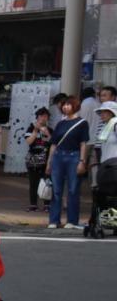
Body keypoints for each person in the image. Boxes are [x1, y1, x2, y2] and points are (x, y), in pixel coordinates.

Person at [45, 95, 90, 230]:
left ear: (75, 106)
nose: (65, 107)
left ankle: (72, 221)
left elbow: (83, 144)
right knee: (56, 190)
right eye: (64, 105)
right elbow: (53, 144)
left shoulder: (82, 123)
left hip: (74, 156)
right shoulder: (60, 123)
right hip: (58, 156)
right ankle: (54, 220)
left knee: (73, 189)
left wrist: (82, 161)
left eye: (68, 104)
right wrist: (49, 162)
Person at [87, 100, 117, 237]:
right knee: (104, 197)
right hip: (106, 166)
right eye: (101, 112)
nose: (101, 115)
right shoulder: (105, 126)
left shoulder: (115, 125)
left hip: (114, 166)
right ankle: (110, 222)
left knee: (108, 196)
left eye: (104, 112)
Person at [24, 108, 52, 212]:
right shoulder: (31, 128)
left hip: (46, 159)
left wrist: (48, 133)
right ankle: (33, 204)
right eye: (41, 116)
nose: (43, 118)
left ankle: (47, 205)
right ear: (37, 117)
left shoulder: (50, 129)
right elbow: (29, 142)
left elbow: (53, 143)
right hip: (33, 160)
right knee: (33, 182)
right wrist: (36, 130)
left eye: (45, 116)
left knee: (47, 182)